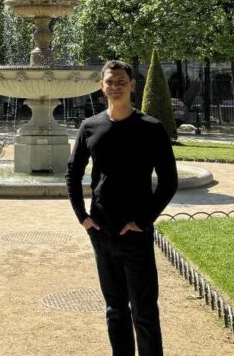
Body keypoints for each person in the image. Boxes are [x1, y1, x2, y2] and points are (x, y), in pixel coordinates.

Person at [66, 60, 178, 356]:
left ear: (132, 85)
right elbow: (73, 174)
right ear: (101, 87)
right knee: (115, 308)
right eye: (110, 82)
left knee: (144, 310)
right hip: (102, 230)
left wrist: (143, 220)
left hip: (136, 232)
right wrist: (82, 217)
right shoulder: (90, 127)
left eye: (120, 82)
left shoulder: (151, 128)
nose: (115, 87)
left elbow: (169, 181)